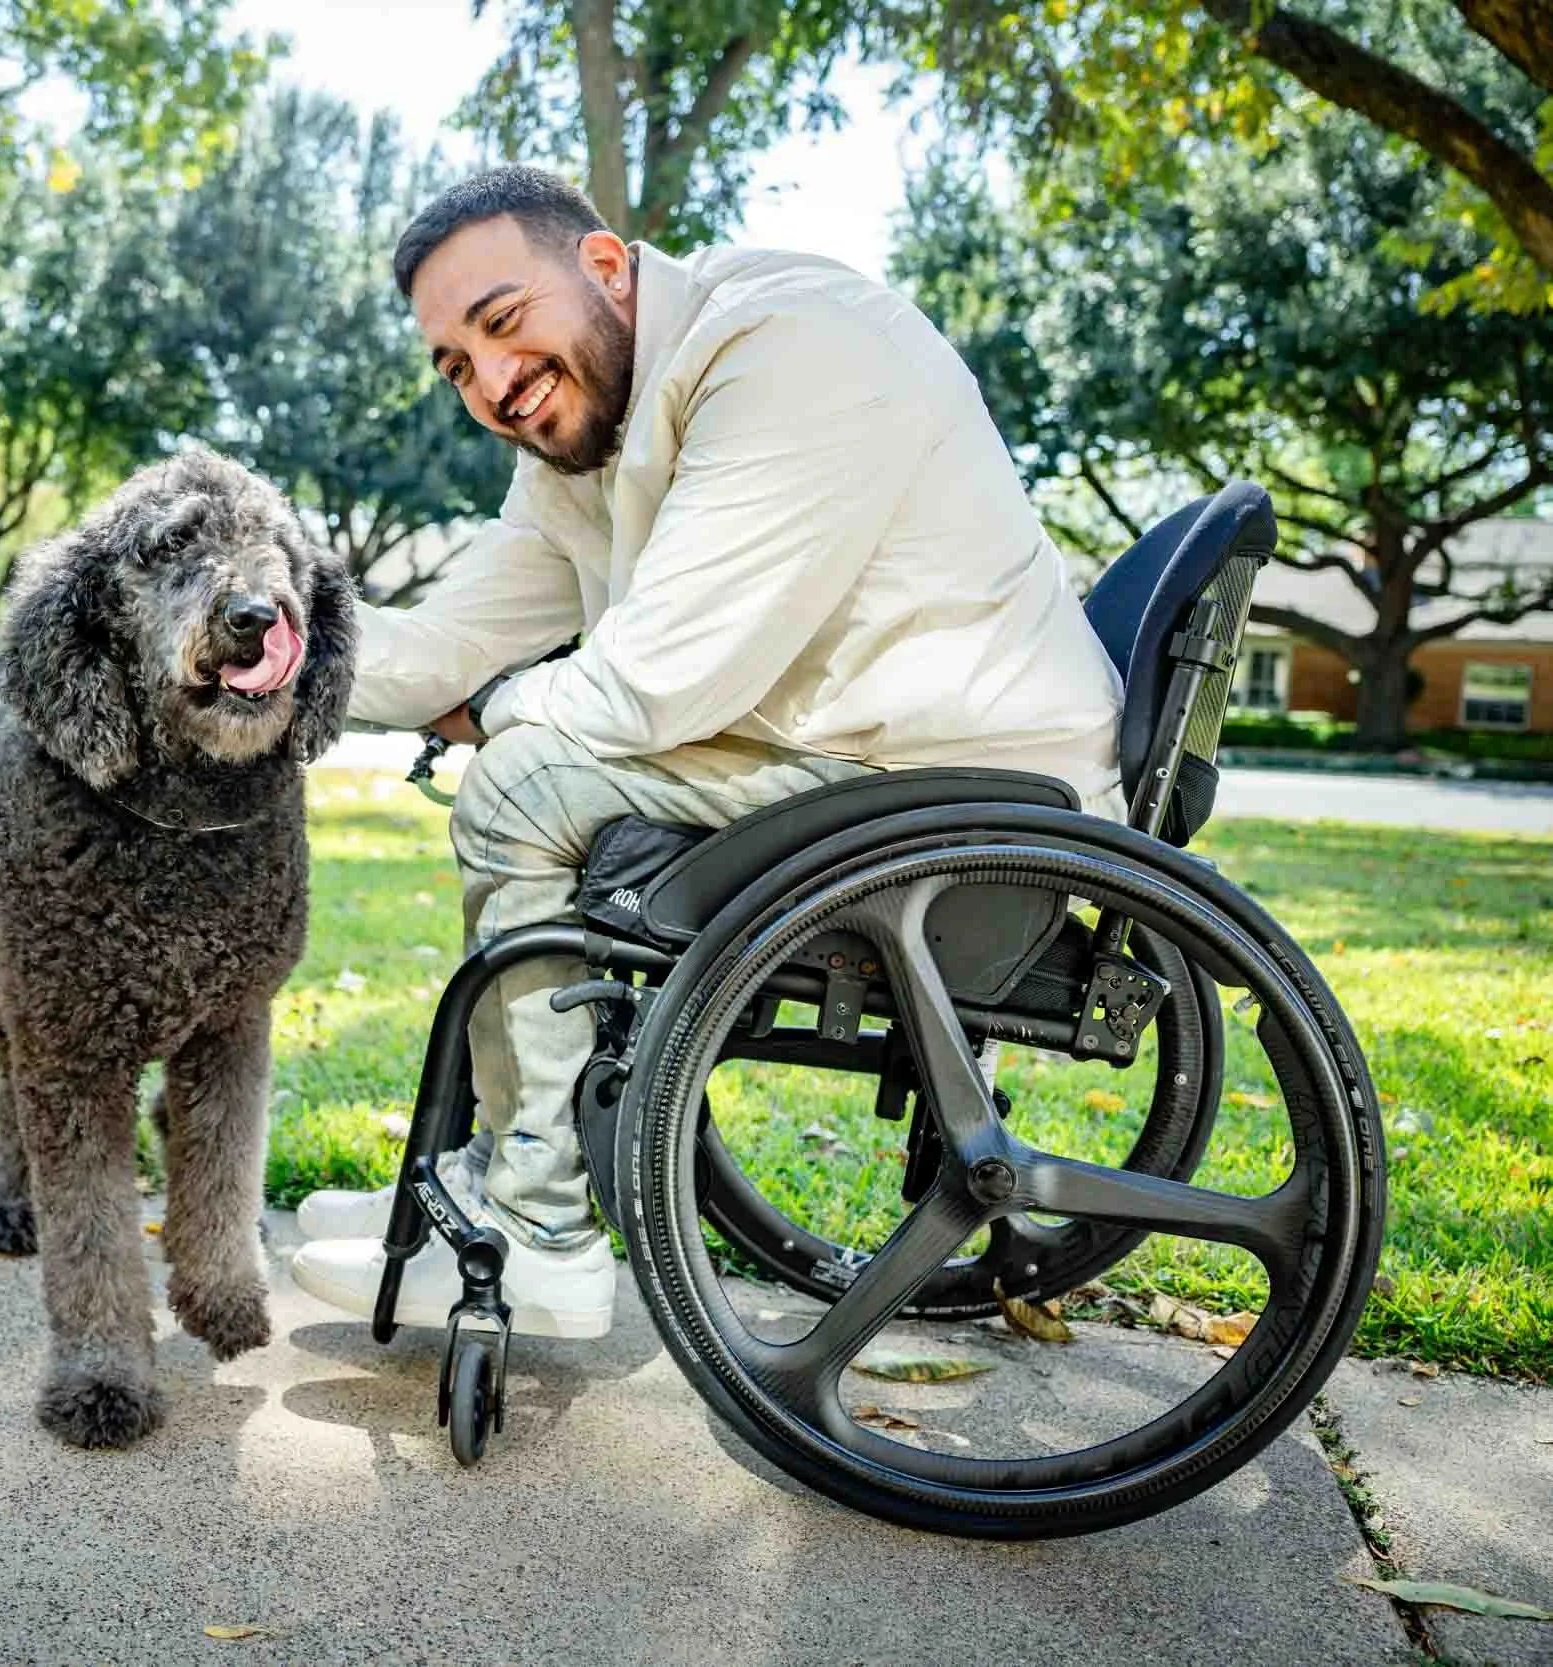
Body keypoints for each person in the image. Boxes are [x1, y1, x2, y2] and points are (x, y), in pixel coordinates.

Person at [286, 166, 1126, 1338]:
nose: (491, 384)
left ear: (607, 268)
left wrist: (491, 710)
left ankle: (537, 1233)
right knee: (532, 763)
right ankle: (490, 1177)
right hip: (863, 772)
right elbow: (446, 638)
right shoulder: (583, 443)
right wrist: (275, 653)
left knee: (525, 779)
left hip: (962, 797)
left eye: (500, 321)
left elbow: (655, 682)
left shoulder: (784, 344)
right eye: (454, 367)